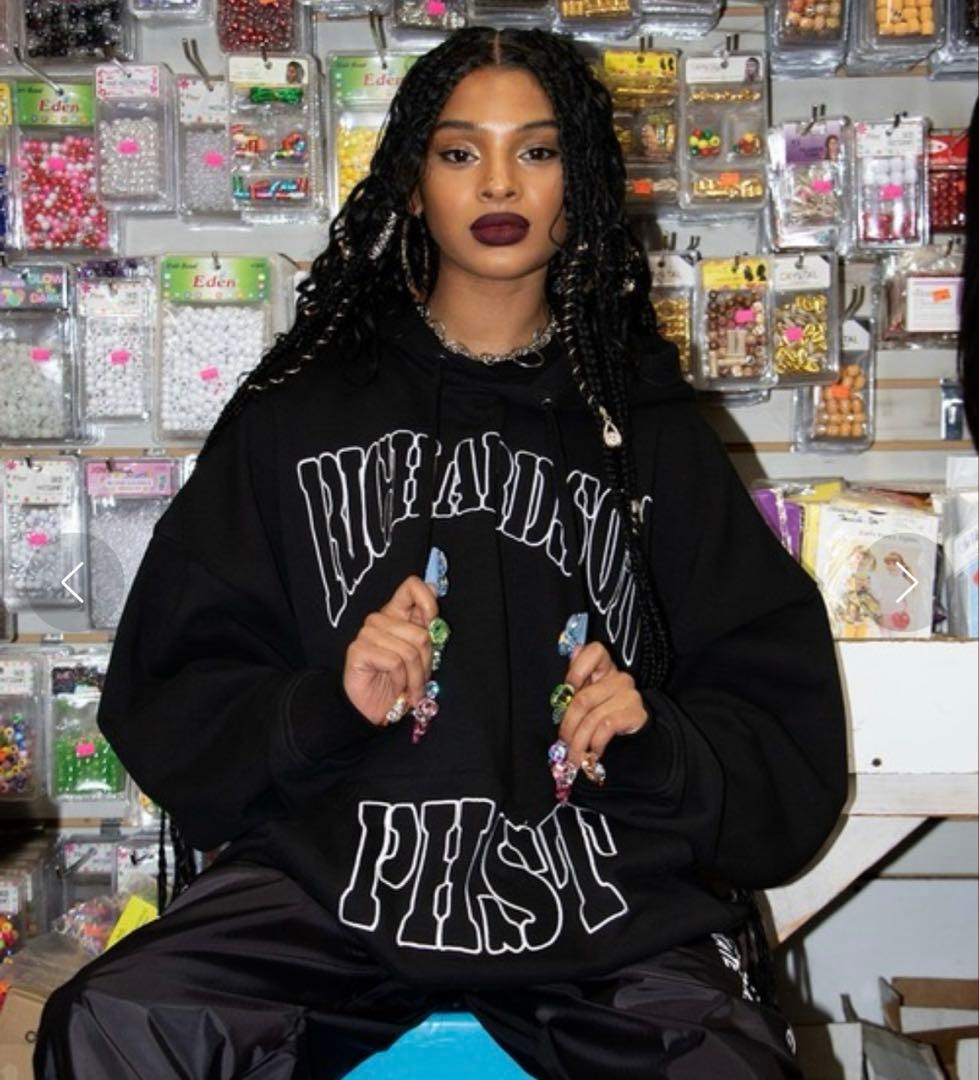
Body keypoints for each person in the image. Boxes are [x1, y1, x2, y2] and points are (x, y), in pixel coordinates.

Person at [35, 27, 848, 1080]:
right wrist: (325, 703)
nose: (499, 182)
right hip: (330, 885)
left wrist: (653, 737)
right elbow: (174, 686)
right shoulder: (299, 413)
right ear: (412, 187)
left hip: (602, 898)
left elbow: (770, 707)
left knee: (727, 1066)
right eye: (461, 152)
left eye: (537, 152)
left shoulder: (643, 428)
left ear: (579, 188)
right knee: (115, 1020)